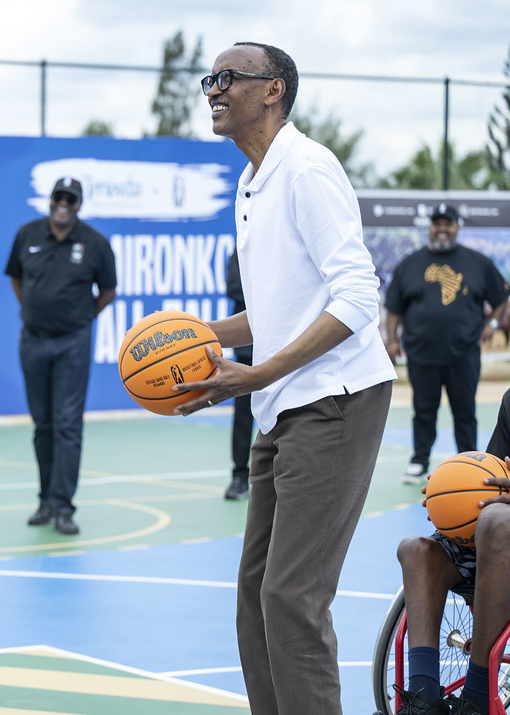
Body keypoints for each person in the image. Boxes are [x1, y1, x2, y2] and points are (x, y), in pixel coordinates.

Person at [177, 43, 397, 714]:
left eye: (228, 79)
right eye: (209, 79)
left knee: (292, 597)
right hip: (286, 405)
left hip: (336, 400)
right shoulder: (254, 181)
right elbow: (277, 309)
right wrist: (198, 336)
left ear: (272, 90)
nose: (214, 90)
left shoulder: (305, 168)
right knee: (255, 598)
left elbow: (360, 296)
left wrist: (262, 371)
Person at [4, 177, 117, 536]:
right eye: (59, 198)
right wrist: (33, 312)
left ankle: (65, 506)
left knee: (68, 425)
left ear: (79, 205)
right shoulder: (27, 235)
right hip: (33, 342)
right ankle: (46, 501)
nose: (64, 204)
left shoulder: (95, 243)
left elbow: (109, 290)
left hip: (73, 344)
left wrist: (82, 318)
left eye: (71, 199)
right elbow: (16, 280)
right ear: (50, 201)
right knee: (44, 425)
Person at [391, 395, 510, 715]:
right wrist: (449, 499)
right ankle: (422, 699)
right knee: (415, 549)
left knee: (497, 521)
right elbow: (488, 481)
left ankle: (478, 698)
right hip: (497, 539)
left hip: (502, 532)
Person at [385, 203, 508, 485]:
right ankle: (418, 461)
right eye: (437, 223)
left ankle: (469, 464)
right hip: (421, 353)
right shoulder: (410, 263)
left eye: (448, 223)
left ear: (456, 227)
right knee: (423, 411)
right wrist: (392, 339)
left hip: (463, 354)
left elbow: (502, 297)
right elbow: (394, 307)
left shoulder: (478, 263)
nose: (442, 229)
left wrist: (491, 324)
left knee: (465, 412)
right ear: (430, 227)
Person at [224, 249, 254, 500]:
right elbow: (234, 287)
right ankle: (240, 475)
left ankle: (282, 472)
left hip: (287, 343)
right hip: (249, 345)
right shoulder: (243, 245)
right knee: (243, 413)